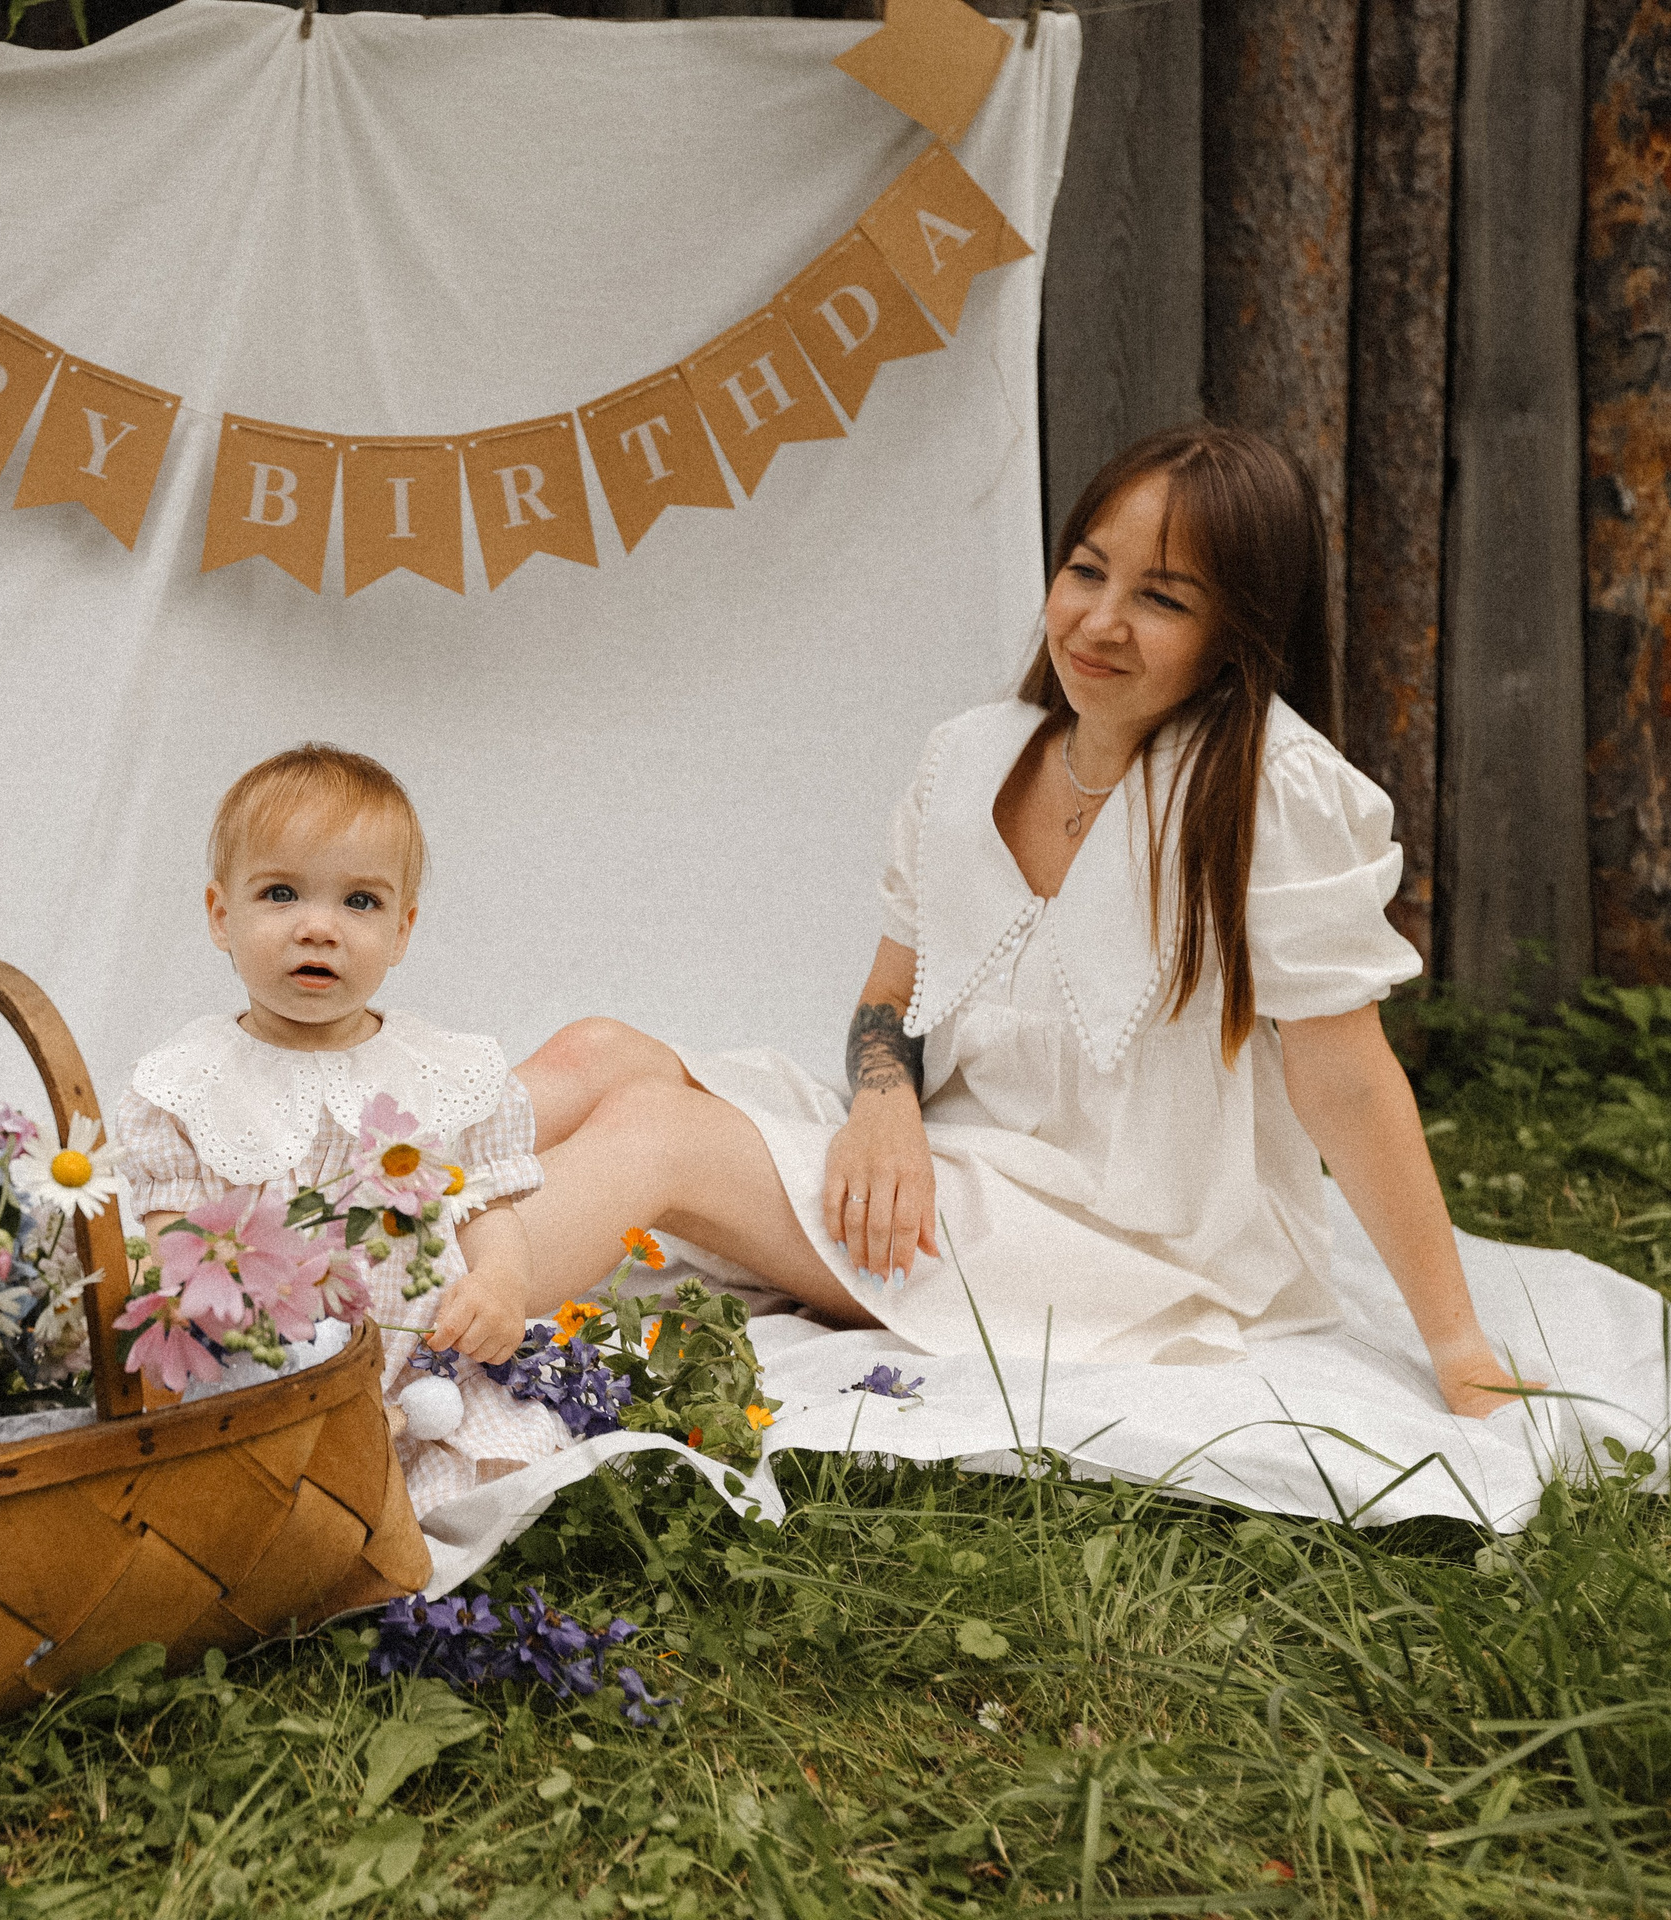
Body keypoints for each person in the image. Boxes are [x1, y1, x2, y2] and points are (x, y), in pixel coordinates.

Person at [510, 424, 1536, 1420]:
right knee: (596, 1051)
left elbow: (1347, 1082)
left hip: (1121, 1239)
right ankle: (360, 1216)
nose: (1099, 621)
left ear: (1237, 636)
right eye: (1086, 572)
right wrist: (882, 1112)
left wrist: (1457, 1345)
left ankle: (396, 1319)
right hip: (944, 1163)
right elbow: (889, 997)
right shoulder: (969, 756)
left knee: (655, 1138)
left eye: (1162, 599)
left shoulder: (1269, 788)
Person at [116, 744, 568, 1513]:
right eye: (282, 893)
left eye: (360, 902)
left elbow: (487, 1203)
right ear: (222, 916)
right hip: (270, 1374)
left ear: (401, 931)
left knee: (500, 1477)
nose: (319, 928)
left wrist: (499, 1281)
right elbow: (175, 1239)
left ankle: (405, 1488)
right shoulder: (189, 1081)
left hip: (424, 1371)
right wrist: (198, 1298)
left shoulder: (439, 1069)